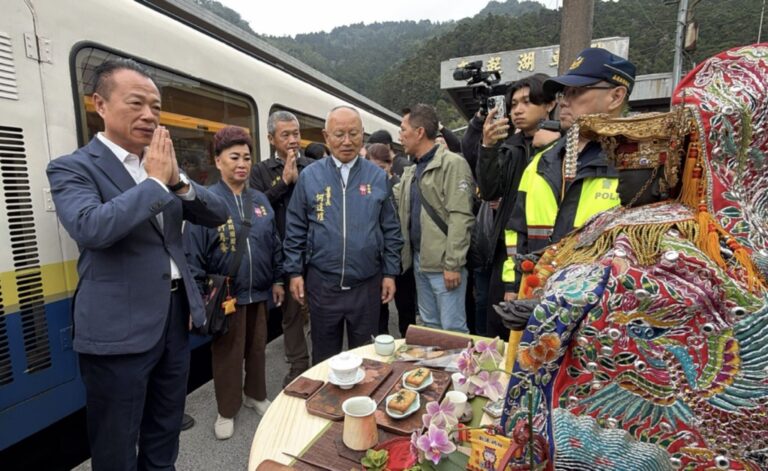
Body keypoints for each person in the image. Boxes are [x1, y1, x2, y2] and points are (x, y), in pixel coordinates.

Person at [497, 44, 768, 470]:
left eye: (625, 165)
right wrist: (526, 284)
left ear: (661, 168)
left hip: (628, 402)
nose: (616, 171)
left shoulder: (671, 229)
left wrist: (553, 306)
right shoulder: (567, 175)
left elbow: (648, 294)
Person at [45, 58, 227, 470]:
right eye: (136, 103)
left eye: (156, 107)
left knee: (165, 430)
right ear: (100, 105)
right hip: (115, 330)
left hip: (173, 320)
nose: (149, 115)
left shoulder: (163, 167)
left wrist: (178, 181)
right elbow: (91, 227)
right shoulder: (73, 168)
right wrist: (155, 183)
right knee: (116, 443)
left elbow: (216, 214)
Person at [494, 48, 636, 341]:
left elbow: (639, 264)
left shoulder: (635, 167)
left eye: (577, 92)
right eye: (564, 93)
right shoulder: (540, 163)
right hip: (533, 309)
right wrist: (514, 284)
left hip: (599, 326)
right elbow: (515, 232)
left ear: (616, 96)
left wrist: (568, 299)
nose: (565, 102)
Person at [184, 126, 284, 440]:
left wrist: (279, 279)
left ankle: (255, 394)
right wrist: (197, 298)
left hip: (259, 290)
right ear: (218, 161)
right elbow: (193, 254)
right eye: (234, 157)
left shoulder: (260, 201)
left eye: (246, 157)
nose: (242, 163)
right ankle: (227, 409)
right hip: (227, 294)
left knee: (257, 348)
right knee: (226, 355)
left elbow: (274, 242)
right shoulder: (206, 200)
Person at [283, 105, 403, 363]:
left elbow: (391, 229)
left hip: (366, 283)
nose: (347, 141)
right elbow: (295, 227)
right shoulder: (310, 177)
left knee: (367, 358)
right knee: (325, 359)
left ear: (363, 136)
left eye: (354, 133)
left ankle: (364, 402)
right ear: (326, 137)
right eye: (339, 134)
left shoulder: (377, 177)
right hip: (323, 284)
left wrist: (390, 272)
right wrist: (294, 271)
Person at [476, 74, 557, 337]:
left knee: (539, 330)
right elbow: (489, 191)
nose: (517, 110)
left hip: (548, 252)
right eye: (513, 104)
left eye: (527, 102)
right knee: (499, 326)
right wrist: (487, 146)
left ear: (550, 104)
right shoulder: (509, 147)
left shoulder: (566, 146)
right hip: (507, 251)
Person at [393, 104, 475, 333]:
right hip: (421, 260)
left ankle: (456, 369)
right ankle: (436, 369)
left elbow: (461, 216)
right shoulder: (412, 170)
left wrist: (453, 264)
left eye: (403, 129)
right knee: (430, 326)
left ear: (419, 132)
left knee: (453, 328)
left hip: (444, 264)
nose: (400, 136)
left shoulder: (452, 164)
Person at [249, 111, 312, 386]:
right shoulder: (260, 171)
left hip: (315, 252)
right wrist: (284, 183)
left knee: (320, 309)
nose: (292, 140)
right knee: (291, 313)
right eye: (285, 135)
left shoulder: (312, 167)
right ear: (271, 138)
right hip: (283, 254)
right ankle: (298, 363)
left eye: (296, 134)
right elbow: (257, 208)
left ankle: (322, 359)